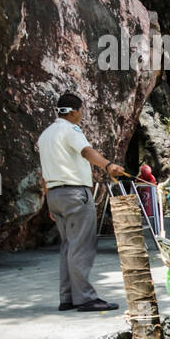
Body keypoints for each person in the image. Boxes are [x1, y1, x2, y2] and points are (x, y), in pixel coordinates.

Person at [37, 91, 127, 311]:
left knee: (68, 246)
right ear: (75, 111)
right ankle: (85, 298)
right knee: (82, 245)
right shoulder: (70, 130)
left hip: (54, 195)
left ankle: (67, 297)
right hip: (74, 193)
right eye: (81, 111)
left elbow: (43, 172)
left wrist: (48, 197)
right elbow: (87, 152)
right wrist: (108, 166)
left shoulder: (46, 135)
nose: (81, 115)